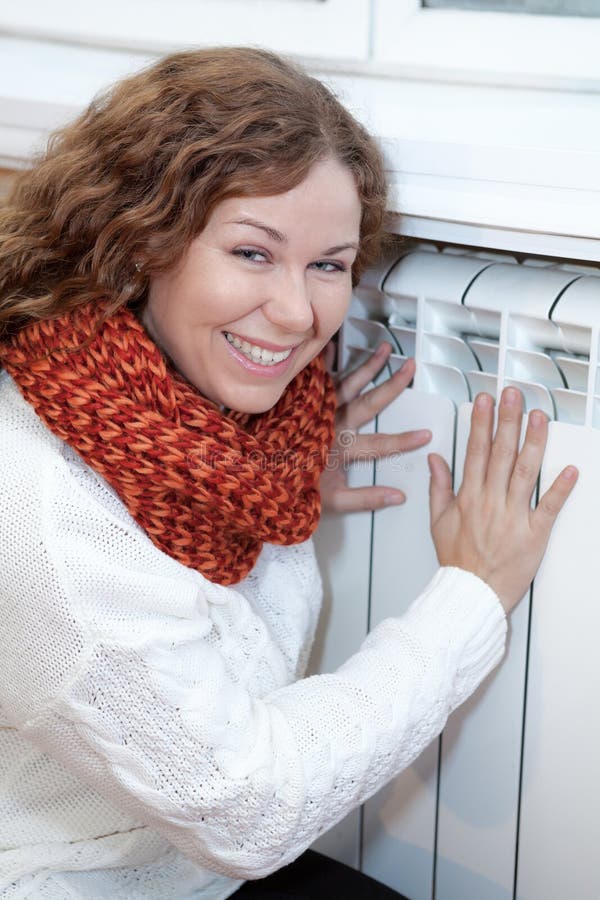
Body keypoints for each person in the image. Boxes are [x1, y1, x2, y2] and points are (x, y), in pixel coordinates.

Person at [0, 46, 577, 900]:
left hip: (179, 869)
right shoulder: (46, 514)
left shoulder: (220, 439)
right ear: (134, 244)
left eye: (330, 264)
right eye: (253, 253)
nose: (299, 312)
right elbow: (248, 807)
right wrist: (471, 596)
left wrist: (276, 492)